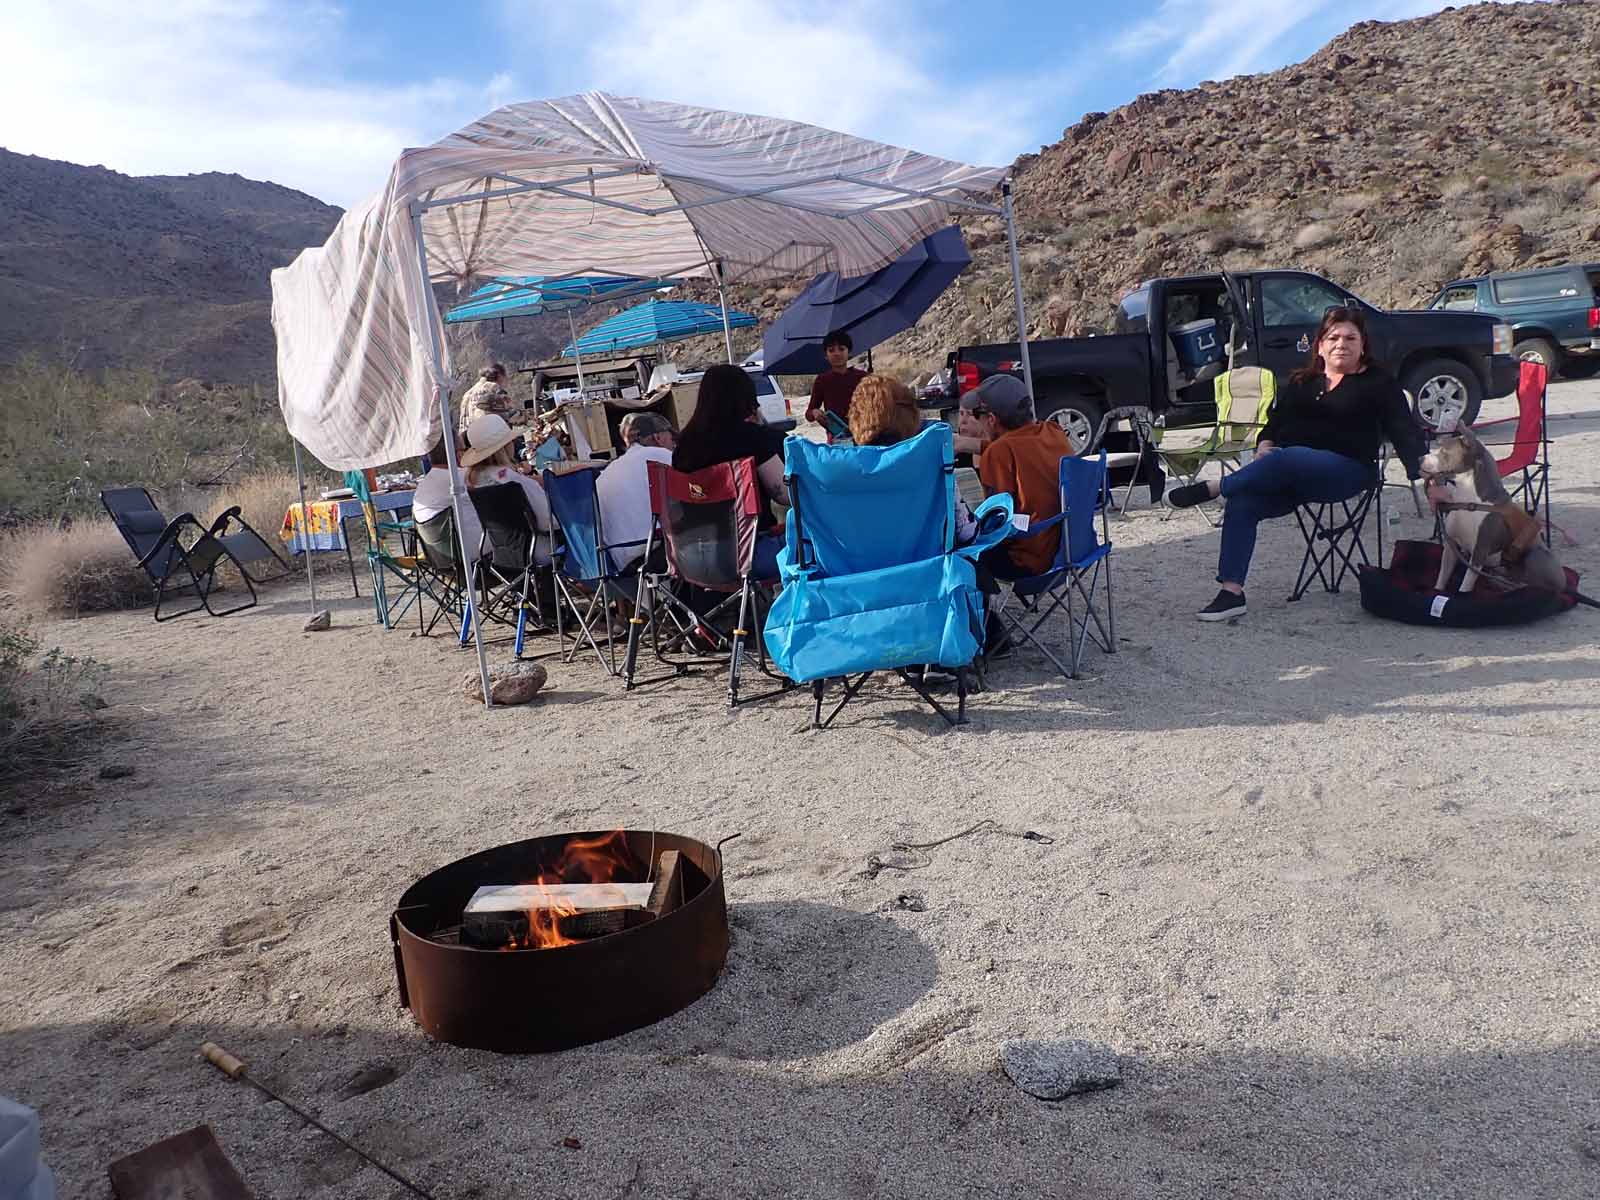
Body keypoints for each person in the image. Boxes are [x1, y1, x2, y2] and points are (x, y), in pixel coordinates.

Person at [1167, 305, 1425, 621]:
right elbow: (1274, 423)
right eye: (1333, 338)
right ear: (1320, 345)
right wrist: (1264, 444)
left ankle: (1215, 486)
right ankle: (1231, 593)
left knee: (1286, 457)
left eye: (1350, 338)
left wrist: (1428, 476)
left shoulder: (1379, 383)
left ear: (1363, 346)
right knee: (1242, 502)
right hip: (1290, 476)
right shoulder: (1304, 382)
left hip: (1347, 472)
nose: (1341, 344)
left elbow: (1405, 431)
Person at [673, 364, 789, 580]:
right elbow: (785, 494)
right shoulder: (752, 437)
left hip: (691, 558)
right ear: (746, 398)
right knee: (816, 547)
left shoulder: (683, 446)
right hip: (747, 556)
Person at [963, 374, 1075, 580]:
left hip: (1029, 561)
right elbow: (1022, 447)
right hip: (1070, 550)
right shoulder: (1053, 431)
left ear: (991, 419)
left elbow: (996, 525)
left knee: (958, 554)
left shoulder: (998, 454)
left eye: (977, 415)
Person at [848, 374, 976, 543]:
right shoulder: (931, 463)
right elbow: (967, 532)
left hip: (860, 560)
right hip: (929, 559)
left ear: (855, 418)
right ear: (910, 415)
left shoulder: (837, 472)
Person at [595, 412, 677, 570]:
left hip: (621, 564)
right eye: (671, 437)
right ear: (658, 438)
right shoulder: (660, 455)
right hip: (655, 552)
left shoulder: (606, 473)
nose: (673, 443)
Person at [804, 330, 867, 427]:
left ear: (849, 353)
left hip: (864, 430)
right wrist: (814, 413)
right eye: (831, 350)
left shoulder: (863, 377)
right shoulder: (822, 380)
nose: (836, 353)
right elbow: (809, 413)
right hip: (836, 433)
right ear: (826, 356)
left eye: (841, 349)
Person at [457, 364, 521, 434]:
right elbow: (511, 416)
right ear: (500, 376)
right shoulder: (494, 387)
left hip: (467, 438)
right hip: (487, 437)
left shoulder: (467, 394)